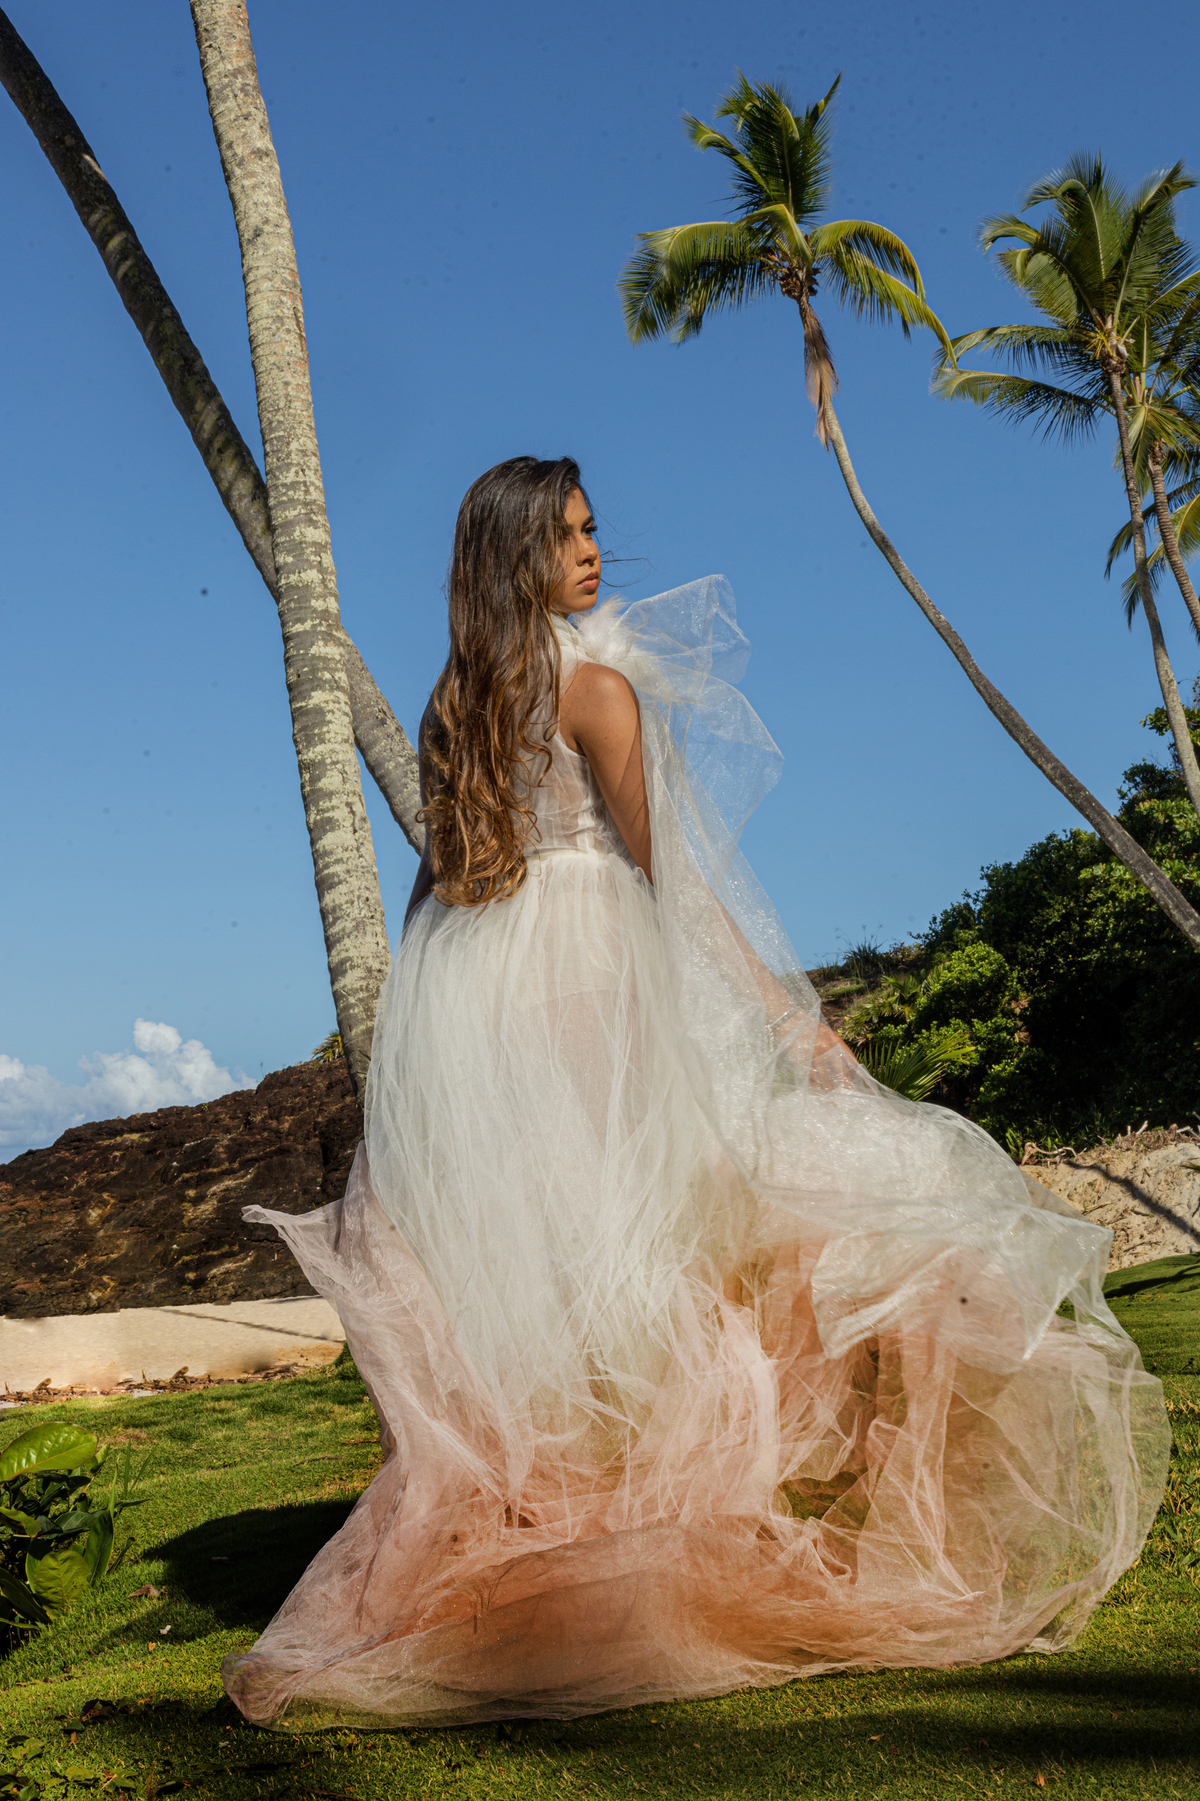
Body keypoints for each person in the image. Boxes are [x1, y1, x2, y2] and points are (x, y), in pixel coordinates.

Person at [225, 456, 1167, 1731]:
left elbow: (438, 881)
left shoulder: (460, 702)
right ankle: (650, 1531)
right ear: (515, 558)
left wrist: (424, 1047)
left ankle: (578, 1515)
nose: (593, 551)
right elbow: (679, 878)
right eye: (566, 537)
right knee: (660, 1231)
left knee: (570, 1262)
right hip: (589, 978)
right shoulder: (596, 694)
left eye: (592, 528)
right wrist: (792, 1018)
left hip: (481, 989)